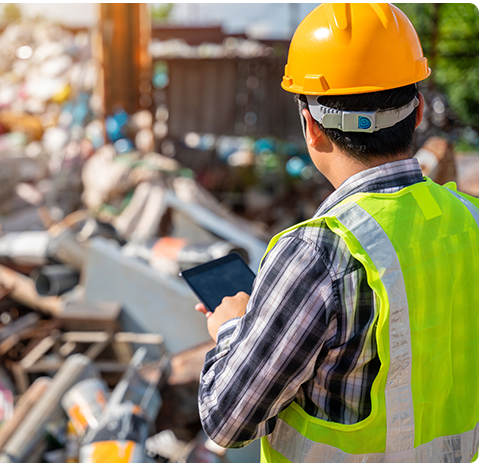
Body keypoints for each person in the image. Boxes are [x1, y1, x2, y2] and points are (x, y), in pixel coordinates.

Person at [196, 3, 481, 463]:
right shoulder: (473, 221)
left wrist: (231, 327)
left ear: (310, 126)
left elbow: (226, 420)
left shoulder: (318, 255)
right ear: (419, 111)